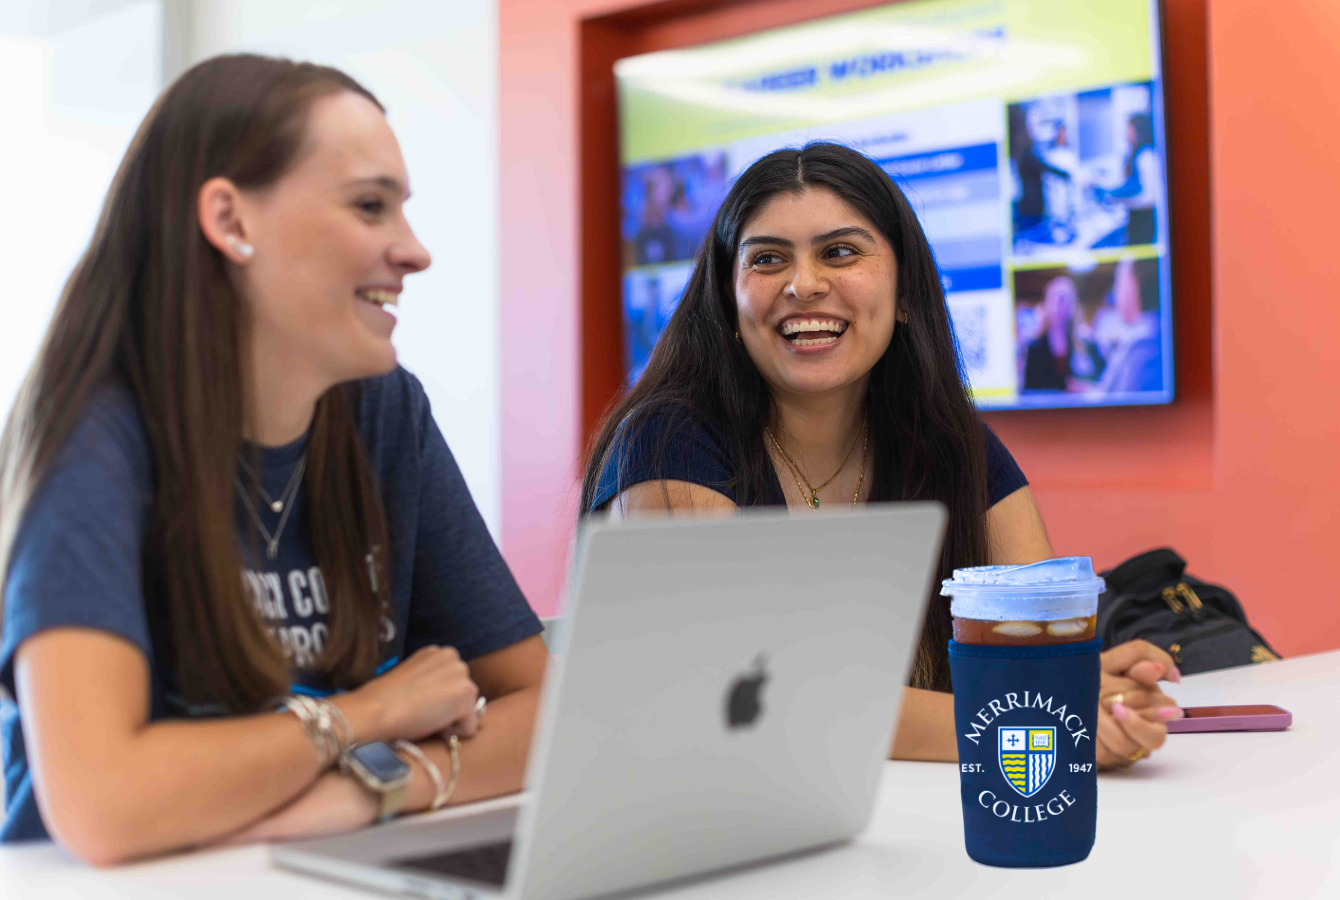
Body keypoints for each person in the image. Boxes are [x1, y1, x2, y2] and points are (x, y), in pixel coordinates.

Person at [0, 55, 546, 862]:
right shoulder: (96, 434)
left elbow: (544, 704)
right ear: (231, 221)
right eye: (370, 206)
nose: (415, 252)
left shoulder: (386, 412)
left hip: (315, 865)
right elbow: (105, 802)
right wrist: (366, 716)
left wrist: (379, 785)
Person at [580, 142, 1182, 770]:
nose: (804, 285)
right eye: (767, 259)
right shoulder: (668, 442)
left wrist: (1085, 687)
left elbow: (1033, 646)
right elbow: (744, 700)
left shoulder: (958, 446)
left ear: (902, 295)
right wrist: (1035, 720)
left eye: (840, 252)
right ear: (730, 304)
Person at [1021, 275, 1104, 391]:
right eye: (1055, 298)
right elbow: (1028, 388)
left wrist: (1085, 387)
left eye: (1065, 299)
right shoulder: (1035, 346)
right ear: (1047, 303)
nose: (1060, 304)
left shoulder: (1087, 344)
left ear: (1073, 304)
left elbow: (1102, 381)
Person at [1095, 258, 1163, 394]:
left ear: (1135, 284)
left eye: (1118, 282)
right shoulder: (1142, 335)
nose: (1115, 293)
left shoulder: (1143, 346)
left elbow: (1120, 409)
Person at [1095, 113, 1161, 245]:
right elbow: (1128, 185)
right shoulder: (1134, 155)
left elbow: (1150, 198)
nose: (1126, 133)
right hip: (1136, 220)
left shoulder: (1146, 155)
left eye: (1129, 129)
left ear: (1138, 130)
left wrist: (1119, 199)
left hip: (1144, 222)